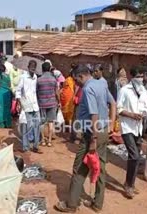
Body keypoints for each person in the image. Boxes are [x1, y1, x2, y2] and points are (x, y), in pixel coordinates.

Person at [56, 64, 116, 213]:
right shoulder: (101, 83)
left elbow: (94, 114)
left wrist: (93, 140)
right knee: (99, 168)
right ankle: (97, 203)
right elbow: (113, 103)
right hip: (102, 131)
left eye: (77, 80)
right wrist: (111, 125)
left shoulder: (88, 89)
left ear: (81, 76)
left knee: (79, 169)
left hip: (92, 134)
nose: (76, 84)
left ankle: (71, 204)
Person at [117, 66, 147, 198]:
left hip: (138, 128)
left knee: (135, 157)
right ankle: (128, 186)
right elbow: (119, 108)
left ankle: (131, 183)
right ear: (132, 77)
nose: (140, 79)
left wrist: (142, 114)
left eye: (142, 76)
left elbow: (145, 108)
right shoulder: (124, 90)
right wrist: (131, 115)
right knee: (134, 155)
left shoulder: (144, 92)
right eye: (138, 76)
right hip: (127, 127)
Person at [16, 60, 41, 154]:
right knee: (26, 127)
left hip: (35, 105)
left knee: (37, 126)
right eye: (31, 66)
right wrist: (20, 103)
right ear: (28, 66)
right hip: (26, 105)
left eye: (34, 66)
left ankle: (35, 146)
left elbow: (35, 91)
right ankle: (25, 147)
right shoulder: (23, 77)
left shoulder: (35, 77)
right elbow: (18, 91)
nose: (33, 68)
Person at [37, 62, 60, 147]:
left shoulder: (39, 80)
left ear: (42, 69)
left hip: (42, 103)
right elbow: (57, 92)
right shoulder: (53, 79)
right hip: (52, 103)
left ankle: (43, 140)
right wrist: (59, 101)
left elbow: (36, 92)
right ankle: (49, 141)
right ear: (49, 69)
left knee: (42, 123)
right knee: (51, 122)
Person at [0, 64, 12, 128]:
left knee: (0, 108)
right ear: (5, 69)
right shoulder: (7, 76)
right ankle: (8, 123)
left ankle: (1, 124)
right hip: (7, 93)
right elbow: (10, 85)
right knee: (7, 108)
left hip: (0, 93)